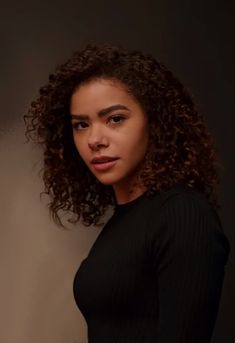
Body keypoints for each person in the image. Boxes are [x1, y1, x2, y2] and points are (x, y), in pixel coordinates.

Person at [24, 43, 230, 342]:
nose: (95, 139)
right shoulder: (125, 218)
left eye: (115, 119)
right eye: (81, 125)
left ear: (154, 122)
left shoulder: (183, 214)